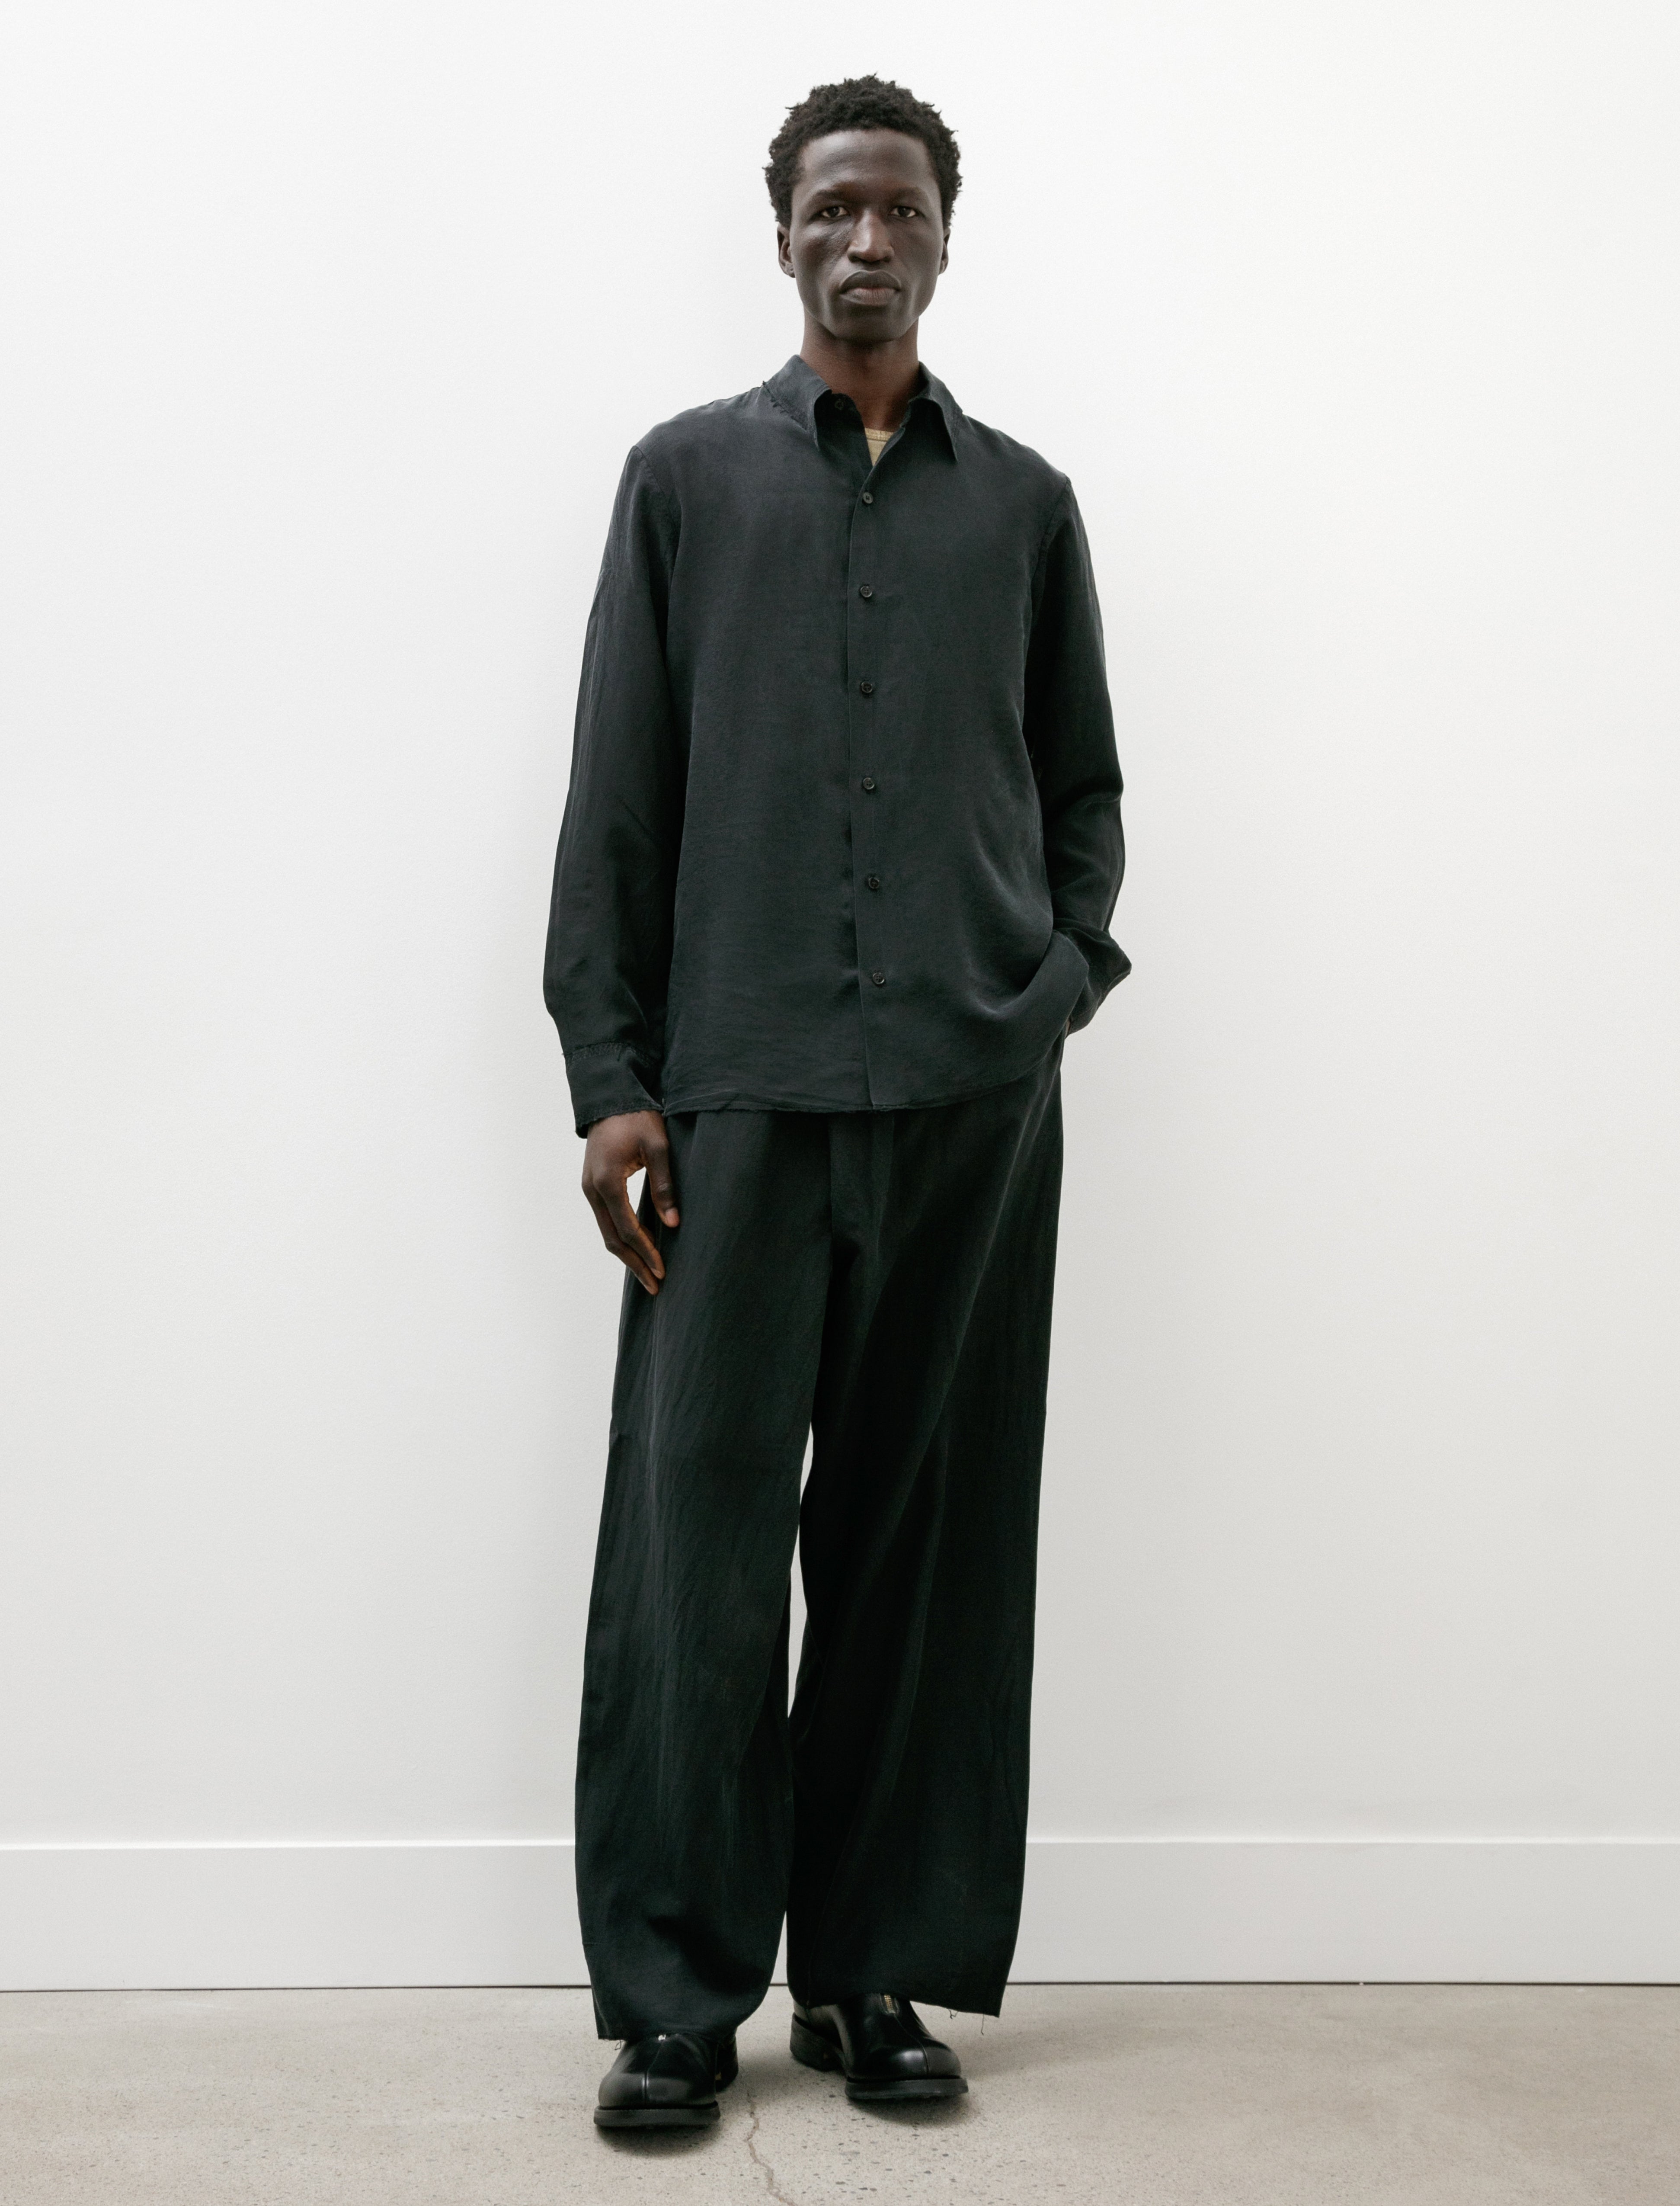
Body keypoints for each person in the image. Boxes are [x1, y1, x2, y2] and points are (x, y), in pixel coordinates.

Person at [544, 74, 1127, 2131]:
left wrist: (1056, 986)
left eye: (899, 210)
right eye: (833, 209)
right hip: (739, 1102)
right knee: (695, 1556)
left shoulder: (1025, 507)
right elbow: (619, 801)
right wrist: (614, 1082)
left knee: (922, 1552)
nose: (866, 239)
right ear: (784, 234)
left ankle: (873, 1976)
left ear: (946, 238)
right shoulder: (686, 483)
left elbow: (1085, 789)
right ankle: (679, 1996)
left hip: (971, 1100)